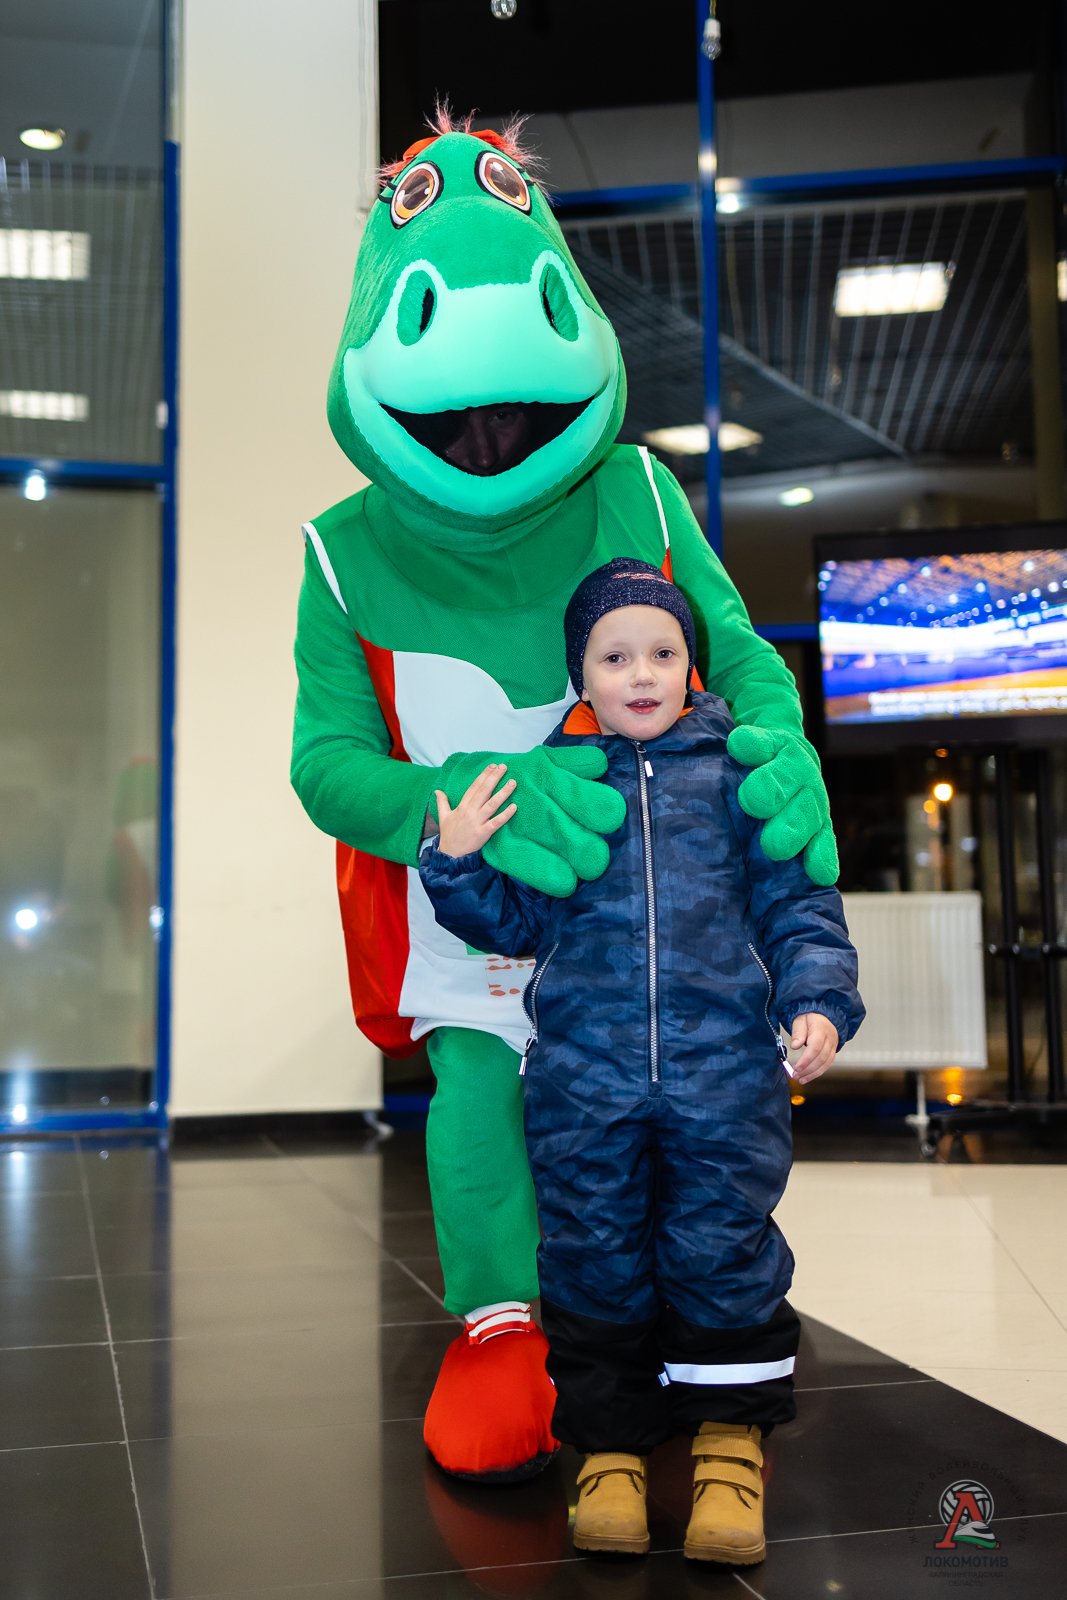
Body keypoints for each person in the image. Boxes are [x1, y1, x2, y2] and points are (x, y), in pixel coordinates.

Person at [418, 558, 864, 1566]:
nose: (641, 673)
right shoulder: (557, 784)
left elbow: (797, 904)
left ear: (690, 665)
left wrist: (817, 999)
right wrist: (457, 859)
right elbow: (513, 923)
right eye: (614, 657)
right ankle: (610, 1454)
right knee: (594, 1257)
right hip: (583, 1083)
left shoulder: (741, 773)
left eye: (662, 652)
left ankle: (728, 1449)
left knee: (721, 1255)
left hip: (727, 1079)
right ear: (580, 675)